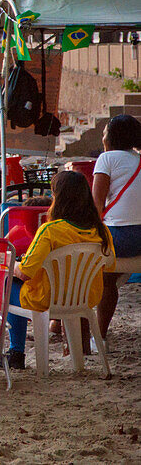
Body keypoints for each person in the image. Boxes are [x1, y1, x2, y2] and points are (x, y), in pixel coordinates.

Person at [0, 171, 116, 371]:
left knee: (7, 283)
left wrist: (10, 262)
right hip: (85, 299)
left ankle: (16, 353)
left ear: (58, 198)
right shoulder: (102, 230)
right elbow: (110, 264)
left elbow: (26, 272)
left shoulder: (50, 230)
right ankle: (73, 361)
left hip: (47, 299)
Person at [91, 114, 141, 338]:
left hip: (121, 237)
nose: (103, 136)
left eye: (104, 132)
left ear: (111, 136)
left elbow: (96, 205)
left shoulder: (107, 159)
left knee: (99, 274)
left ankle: (98, 336)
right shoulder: (138, 159)